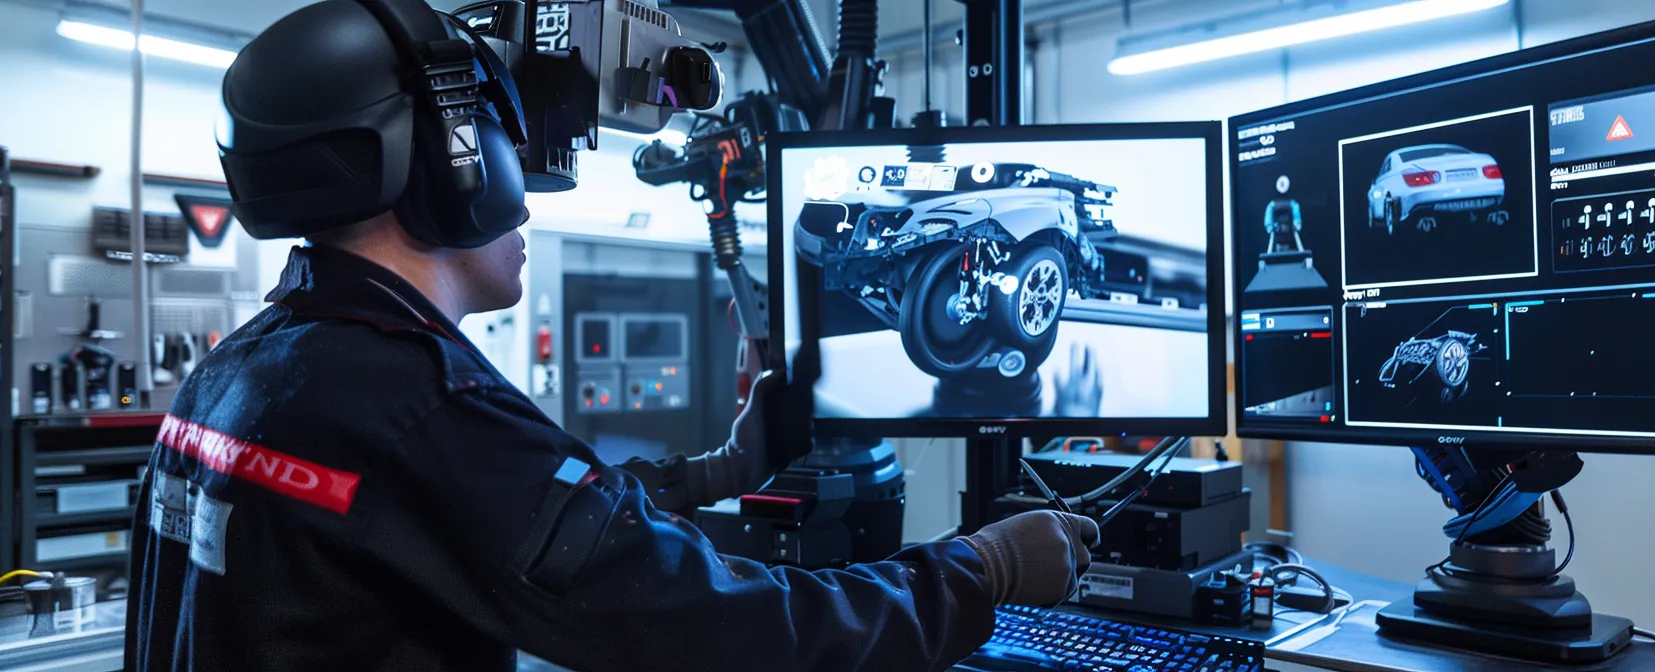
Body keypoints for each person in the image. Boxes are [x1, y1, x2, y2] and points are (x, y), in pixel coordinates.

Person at [123, 1, 1099, 671]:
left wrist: (717, 473)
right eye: (506, 140)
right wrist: (983, 570)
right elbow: (724, 633)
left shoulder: (250, 369)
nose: (532, 187)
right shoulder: (414, 407)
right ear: (452, 162)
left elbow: (496, 523)